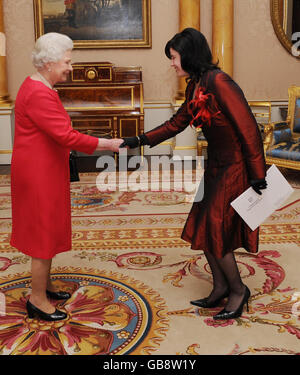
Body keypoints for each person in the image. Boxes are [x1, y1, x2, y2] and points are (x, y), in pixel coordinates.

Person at [120, 28, 267, 320]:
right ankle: (221, 286)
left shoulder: (220, 82)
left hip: (236, 165)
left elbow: (248, 128)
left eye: (174, 58)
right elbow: (176, 123)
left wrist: (257, 172)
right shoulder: (195, 84)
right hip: (216, 164)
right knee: (203, 223)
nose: (172, 63)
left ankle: (238, 290)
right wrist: (140, 140)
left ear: (188, 55)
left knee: (216, 226)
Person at [10, 32, 123, 321]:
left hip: (43, 169)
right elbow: (67, 136)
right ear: (48, 63)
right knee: (41, 235)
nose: (70, 68)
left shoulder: (38, 85)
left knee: (46, 230)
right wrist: (108, 144)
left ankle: (43, 286)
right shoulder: (38, 92)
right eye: (67, 62)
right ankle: (36, 299)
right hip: (38, 175)